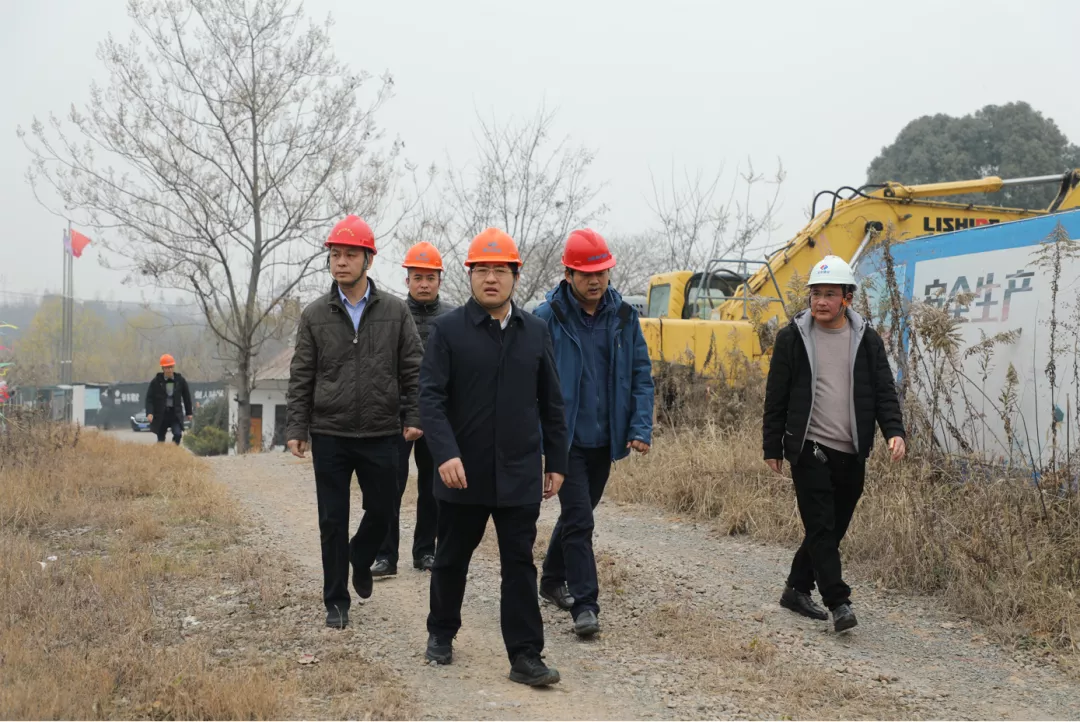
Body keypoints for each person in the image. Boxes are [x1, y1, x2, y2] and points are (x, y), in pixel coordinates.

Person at [419, 228, 569, 687]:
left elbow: (552, 403)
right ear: (469, 275)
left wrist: (556, 461)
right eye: (482, 270)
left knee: (519, 565)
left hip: (519, 471)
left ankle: (526, 655)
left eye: (500, 270)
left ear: (515, 276)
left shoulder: (535, 332)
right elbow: (430, 399)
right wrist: (445, 454)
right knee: (451, 558)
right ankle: (441, 632)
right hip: (461, 473)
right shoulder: (447, 331)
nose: (490, 278)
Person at [285, 214, 424, 630]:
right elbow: (301, 375)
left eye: (350, 255)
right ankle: (336, 600)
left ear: (368, 260)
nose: (341, 262)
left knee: (384, 508)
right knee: (332, 519)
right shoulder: (315, 315)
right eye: (335, 255)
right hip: (330, 432)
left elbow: (414, 369)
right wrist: (296, 428)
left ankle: (360, 557)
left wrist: (414, 415)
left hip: (382, 431)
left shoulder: (396, 312)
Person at [762, 255, 906, 633]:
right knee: (821, 526)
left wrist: (894, 431)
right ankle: (838, 602)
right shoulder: (793, 338)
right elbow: (776, 397)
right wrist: (772, 447)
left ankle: (796, 588)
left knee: (831, 528)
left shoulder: (866, 340)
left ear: (847, 298)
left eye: (829, 294)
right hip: (808, 445)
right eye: (815, 294)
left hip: (852, 450)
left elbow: (884, 391)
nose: (821, 301)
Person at [533, 228, 654, 638]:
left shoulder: (624, 317)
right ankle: (585, 606)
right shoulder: (546, 318)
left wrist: (639, 426)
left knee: (577, 514)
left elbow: (641, 375)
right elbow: (529, 380)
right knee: (580, 520)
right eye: (585, 273)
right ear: (568, 274)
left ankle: (552, 579)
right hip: (565, 440)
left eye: (601, 272)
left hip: (606, 439)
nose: (595, 280)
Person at [371, 241, 451, 577]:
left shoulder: (453, 318)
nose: (424, 284)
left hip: (438, 415)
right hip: (396, 415)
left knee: (433, 489)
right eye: (417, 277)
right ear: (407, 280)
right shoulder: (390, 315)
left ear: (439, 280)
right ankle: (385, 555)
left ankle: (425, 551)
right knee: (390, 486)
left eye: (430, 278)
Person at [145, 354, 192, 445]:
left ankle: (173, 450)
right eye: (167, 368)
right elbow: (149, 398)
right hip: (161, 414)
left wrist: (189, 412)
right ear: (163, 368)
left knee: (178, 434)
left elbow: (186, 397)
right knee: (161, 438)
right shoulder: (156, 382)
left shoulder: (180, 380)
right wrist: (149, 413)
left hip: (175, 414)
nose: (170, 370)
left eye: (171, 367)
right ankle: (162, 452)